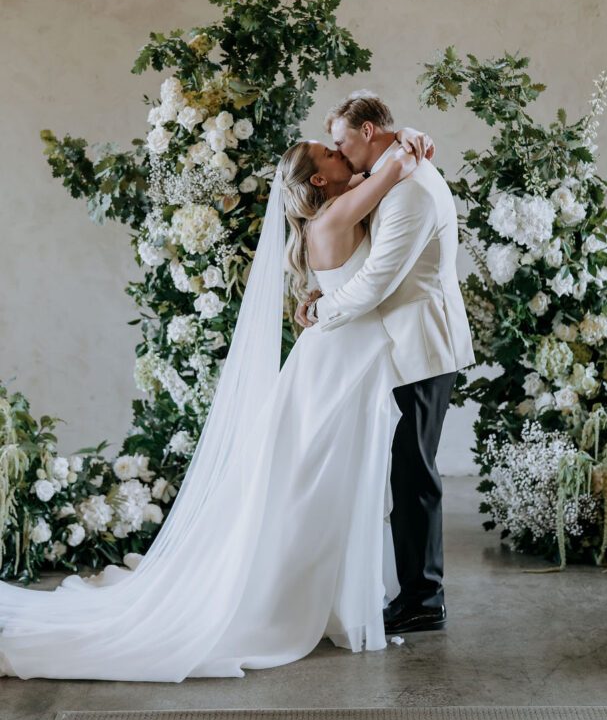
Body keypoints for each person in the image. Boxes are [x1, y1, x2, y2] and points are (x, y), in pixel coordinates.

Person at [0, 125, 436, 682]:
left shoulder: (326, 216)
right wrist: (410, 138)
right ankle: (303, 599)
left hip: (338, 356)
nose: (341, 152)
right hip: (343, 357)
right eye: (330, 151)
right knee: (319, 483)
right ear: (321, 177)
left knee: (321, 481)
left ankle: (332, 597)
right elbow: (397, 166)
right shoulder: (340, 209)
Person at [296, 91, 476, 635]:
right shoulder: (398, 171)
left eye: (342, 140)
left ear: (369, 131)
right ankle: (416, 590)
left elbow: (376, 283)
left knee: (414, 473)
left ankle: (424, 597)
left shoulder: (410, 193)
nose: (338, 150)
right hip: (400, 346)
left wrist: (323, 310)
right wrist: (405, 144)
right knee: (403, 470)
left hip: (421, 347)